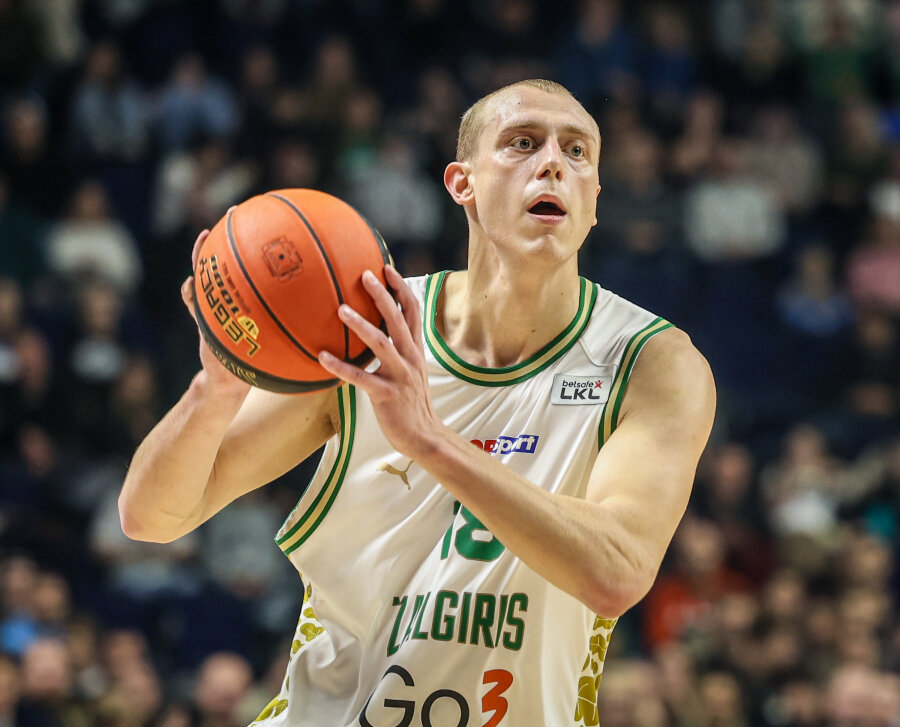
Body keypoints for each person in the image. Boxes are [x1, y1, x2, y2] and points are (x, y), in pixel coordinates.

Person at [118, 79, 716, 726]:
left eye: (577, 152)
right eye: (522, 143)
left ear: (595, 198)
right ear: (461, 183)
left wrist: (429, 441)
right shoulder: (366, 332)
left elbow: (617, 572)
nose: (552, 163)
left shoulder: (651, 363)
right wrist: (216, 390)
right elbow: (151, 517)